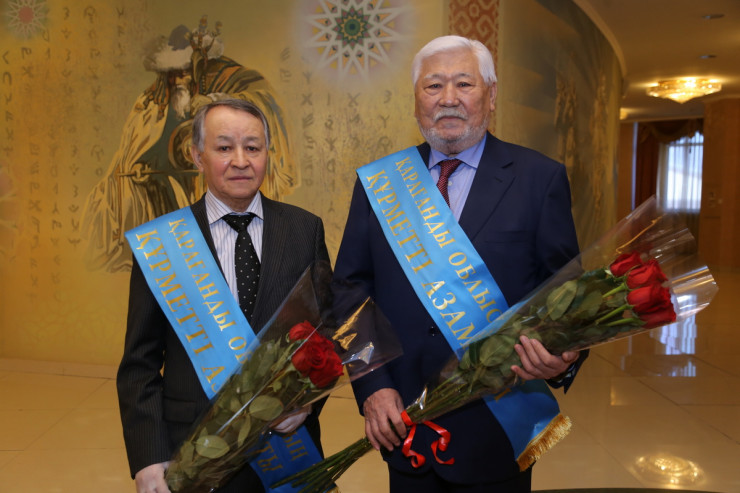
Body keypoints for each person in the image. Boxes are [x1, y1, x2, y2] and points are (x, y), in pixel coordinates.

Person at [332, 35, 588, 492]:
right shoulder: (378, 184)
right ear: (416, 100)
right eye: (433, 86)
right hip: (404, 424)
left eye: (464, 84)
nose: (448, 98)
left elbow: (567, 293)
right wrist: (372, 385)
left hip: (498, 429)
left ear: (491, 95)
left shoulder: (539, 178)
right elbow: (351, 293)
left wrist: (563, 357)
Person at [117, 98, 330, 493]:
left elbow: (326, 336)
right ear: (197, 156)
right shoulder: (161, 245)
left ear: (267, 154)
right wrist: (147, 458)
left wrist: (307, 401)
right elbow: (138, 365)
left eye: (253, 147)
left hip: (285, 447)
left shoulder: (305, 230)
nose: (240, 161)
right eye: (224, 147)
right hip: (192, 450)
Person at [81, 18, 297, 273]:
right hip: (171, 203)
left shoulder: (230, 81)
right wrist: (140, 168)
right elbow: (141, 148)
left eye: (251, 149)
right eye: (174, 74)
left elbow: (260, 100)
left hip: (202, 190)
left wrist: (216, 102)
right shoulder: (152, 103)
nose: (179, 80)